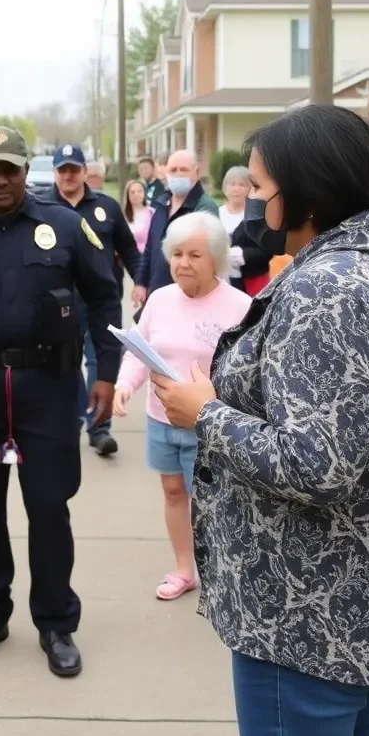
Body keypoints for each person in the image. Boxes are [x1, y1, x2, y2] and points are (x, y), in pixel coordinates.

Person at [151, 105, 369, 736]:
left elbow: (315, 464)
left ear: (308, 192)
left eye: (261, 189)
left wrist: (204, 412)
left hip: (307, 610)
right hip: (366, 594)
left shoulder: (331, 289)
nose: (254, 203)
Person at [0, 127, 122, 678]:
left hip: (48, 389)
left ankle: (56, 622)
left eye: (11, 168)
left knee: (49, 507)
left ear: (25, 169)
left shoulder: (63, 227)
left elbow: (105, 297)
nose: (2, 179)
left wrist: (106, 371)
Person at [113, 213, 249, 601]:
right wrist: (125, 385)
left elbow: (248, 374)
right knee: (174, 492)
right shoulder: (160, 299)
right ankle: (184, 570)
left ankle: (225, 577)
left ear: (217, 260)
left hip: (210, 426)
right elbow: (140, 351)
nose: (183, 263)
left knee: (216, 502)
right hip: (161, 419)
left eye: (194, 255)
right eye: (176, 254)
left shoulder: (240, 307)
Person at [48, 145, 139, 457]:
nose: (69, 175)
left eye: (74, 169)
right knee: (67, 364)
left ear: (86, 172)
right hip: (59, 304)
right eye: (63, 170)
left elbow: (129, 251)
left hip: (101, 302)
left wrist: (142, 282)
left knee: (101, 360)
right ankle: (74, 420)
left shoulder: (107, 207)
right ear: (54, 173)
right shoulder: (41, 208)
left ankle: (100, 429)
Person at [133, 149, 219, 306]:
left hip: (187, 299)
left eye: (184, 170)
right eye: (173, 170)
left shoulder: (204, 208)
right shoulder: (161, 204)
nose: (178, 174)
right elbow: (149, 248)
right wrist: (140, 282)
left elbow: (206, 259)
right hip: (157, 295)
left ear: (196, 172)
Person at [218, 165, 270, 295]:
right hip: (220, 281)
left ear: (250, 189)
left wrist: (236, 254)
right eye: (232, 184)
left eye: (242, 185)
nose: (236, 189)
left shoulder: (257, 218)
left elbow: (266, 252)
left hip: (251, 283)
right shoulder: (215, 213)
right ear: (225, 188)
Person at [121, 178, 153, 254]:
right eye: (132, 192)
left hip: (147, 256)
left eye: (139, 191)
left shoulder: (152, 213)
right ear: (127, 196)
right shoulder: (122, 216)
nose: (136, 194)